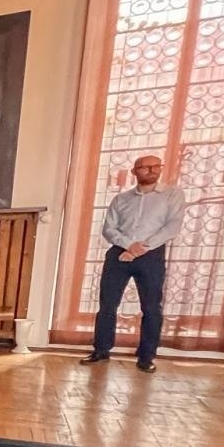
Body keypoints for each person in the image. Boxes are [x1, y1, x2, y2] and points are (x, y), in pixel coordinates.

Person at [81, 154, 185, 373]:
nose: (151, 170)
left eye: (155, 166)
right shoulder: (121, 199)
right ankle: (101, 349)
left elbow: (172, 227)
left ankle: (146, 357)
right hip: (119, 254)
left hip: (152, 256)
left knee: (151, 307)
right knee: (107, 304)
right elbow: (109, 228)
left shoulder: (172, 195)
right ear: (134, 171)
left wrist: (142, 248)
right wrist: (129, 246)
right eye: (145, 167)